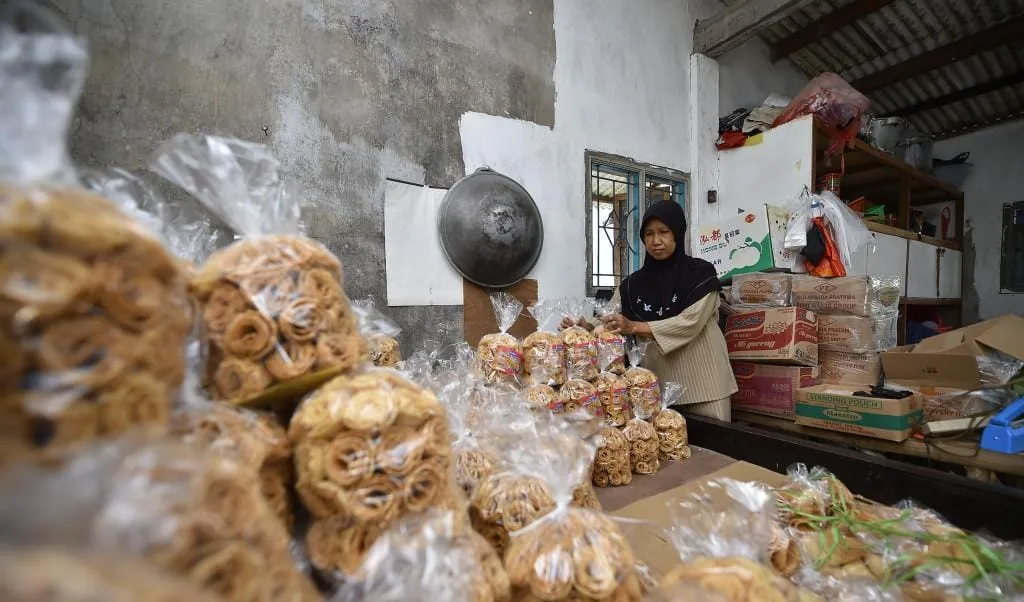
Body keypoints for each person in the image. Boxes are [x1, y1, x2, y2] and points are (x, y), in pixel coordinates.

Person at [564, 201, 737, 421]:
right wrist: (584, 327)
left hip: (704, 383)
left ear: (677, 233)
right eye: (649, 234)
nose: (656, 241)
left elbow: (690, 322)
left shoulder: (699, 274)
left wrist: (634, 326)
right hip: (656, 386)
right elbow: (609, 319)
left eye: (664, 232)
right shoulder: (632, 285)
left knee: (716, 450)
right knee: (665, 445)